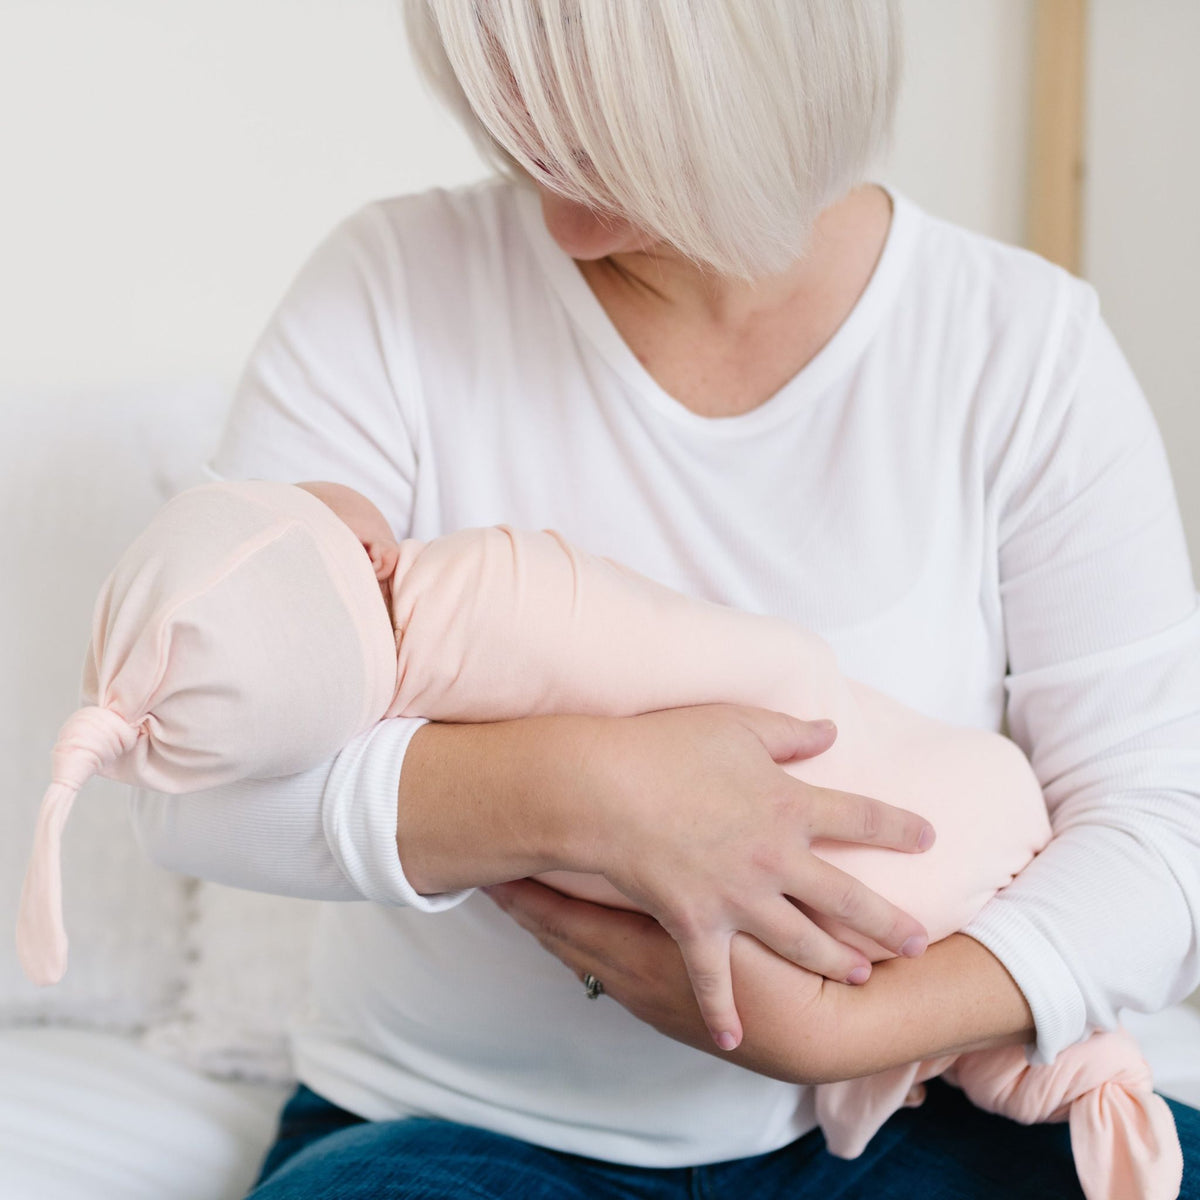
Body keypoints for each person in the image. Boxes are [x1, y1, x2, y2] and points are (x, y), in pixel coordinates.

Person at [130, 1, 1200, 1195]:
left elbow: (1161, 824)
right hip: (454, 1132)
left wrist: (839, 1034)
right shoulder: (389, 289)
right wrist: (579, 795)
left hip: (900, 1115)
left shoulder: (1020, 348)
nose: (567, 226)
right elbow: (188, 776)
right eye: (527, 147)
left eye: (617, 160)